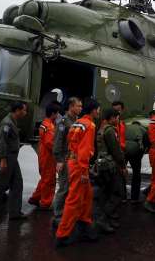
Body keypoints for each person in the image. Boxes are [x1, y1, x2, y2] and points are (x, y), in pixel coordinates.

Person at [55, 99, 100, 247]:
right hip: (79, 165)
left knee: (87, 195)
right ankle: (62, 235)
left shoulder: (77, 123)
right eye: (98, 109)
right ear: (93, 110)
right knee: (74, 199)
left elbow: (70, 141)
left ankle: (84, 224)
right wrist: (83, 171)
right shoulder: (90, 125)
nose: (99, 112)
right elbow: (85, 150)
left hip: (73, 162)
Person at [0, 101, 29, 222]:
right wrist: (3, 160)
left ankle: (15, 212)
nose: (25, 112)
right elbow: (2, 142)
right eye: (24, 110)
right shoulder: (7, 123)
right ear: (17, 110)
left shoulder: (13, 121)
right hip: (6, 157)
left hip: (13, 158)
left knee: (18, 183)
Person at [93, 108, 126, 234]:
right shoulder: (110, 131)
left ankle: (106, 218)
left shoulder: (101, 129)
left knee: (106, 193)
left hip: (102, 165)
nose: (118, 120)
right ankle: (103, 219)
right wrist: (122, 166)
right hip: (110, 166)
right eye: (117, 117)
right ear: (112, 117)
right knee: (118, 193)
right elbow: (116, 151)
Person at [51, 97, 82, 229]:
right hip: (64, 159)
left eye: (81, 106)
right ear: (71, 107)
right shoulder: (63, 122)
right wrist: (59, 160)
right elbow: (58, 142)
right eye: (78, 106)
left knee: (71, 187)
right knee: (64, 187)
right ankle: (58, 214)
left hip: (72, 159)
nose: (80, 108)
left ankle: (66, 212)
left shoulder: (75, 121)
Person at [29, 102, 61, 210]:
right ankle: (45, 203)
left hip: (44, 156)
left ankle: (35, 198)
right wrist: (59, 151)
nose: (58, 116)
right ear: (53, 113)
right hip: (48, 157)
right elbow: (50, 143)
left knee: (44, 179)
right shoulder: (50, 127)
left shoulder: (45, 124)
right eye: (57, 113)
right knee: (49, 180)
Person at [124, 120, 146, 204]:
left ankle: (123, 196)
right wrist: (141, 154)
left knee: (122, 172)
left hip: (124, 150)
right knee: (136, 173)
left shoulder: (126, 127)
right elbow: (146, 143)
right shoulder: (143, 129)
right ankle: (134, 198)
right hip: (135, 152)